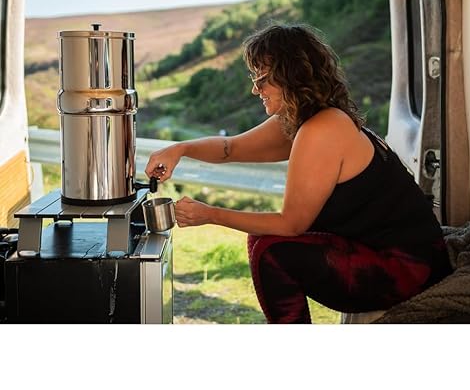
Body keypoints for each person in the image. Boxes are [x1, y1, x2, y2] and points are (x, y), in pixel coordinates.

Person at [145, 23, 451, 324]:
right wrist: (180, 149)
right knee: (262, 239)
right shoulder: (306, 118)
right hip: (393, 253)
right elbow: (231, 148)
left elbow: (291, 224)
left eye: (262, 79)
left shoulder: (323, 128)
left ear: (292, 75)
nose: (255, 89)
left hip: (410, 269)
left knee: (271, 250)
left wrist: (210, 214)